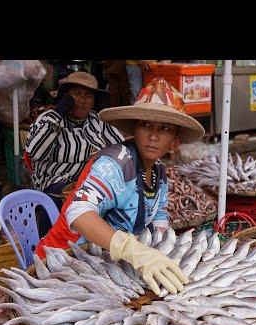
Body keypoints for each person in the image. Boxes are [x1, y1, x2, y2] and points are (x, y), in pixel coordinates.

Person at [35, 78, 205, 296]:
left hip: (103, 266)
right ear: (135, 128)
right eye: (146, 125)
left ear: (175, 139)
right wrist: (132, 250)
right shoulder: (115, 164)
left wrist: (162, 251)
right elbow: (78, 212)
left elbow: (159, 215)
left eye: (164, 128)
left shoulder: (159, 172)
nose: (153, 136)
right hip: (63, 263)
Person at [25, 71, 124, 232]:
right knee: (64, 202)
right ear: (66, 96)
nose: (82, 100)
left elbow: (121, 150)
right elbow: (34, 151)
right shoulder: (48, 118)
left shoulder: (97, 121)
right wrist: (60, 112)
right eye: (76, 94)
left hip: (92, 185)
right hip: (55, 184)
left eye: (88, 96)